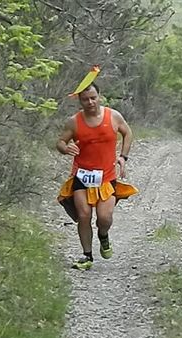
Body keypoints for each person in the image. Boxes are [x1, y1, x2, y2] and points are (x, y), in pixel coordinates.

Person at [56, 82, 138, 270]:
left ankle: (103, 235)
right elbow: (60, 142)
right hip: (81, 176)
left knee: (104, 217)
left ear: (99, 96)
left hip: (106, 177)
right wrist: (65, 148)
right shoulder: (74, 122)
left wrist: (123, 157)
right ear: (80, 101)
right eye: (85, 99)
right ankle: (87, 256)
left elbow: (128, 133)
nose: (90, 102)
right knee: (84, 215)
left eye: (93, 98)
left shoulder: (113, 116)